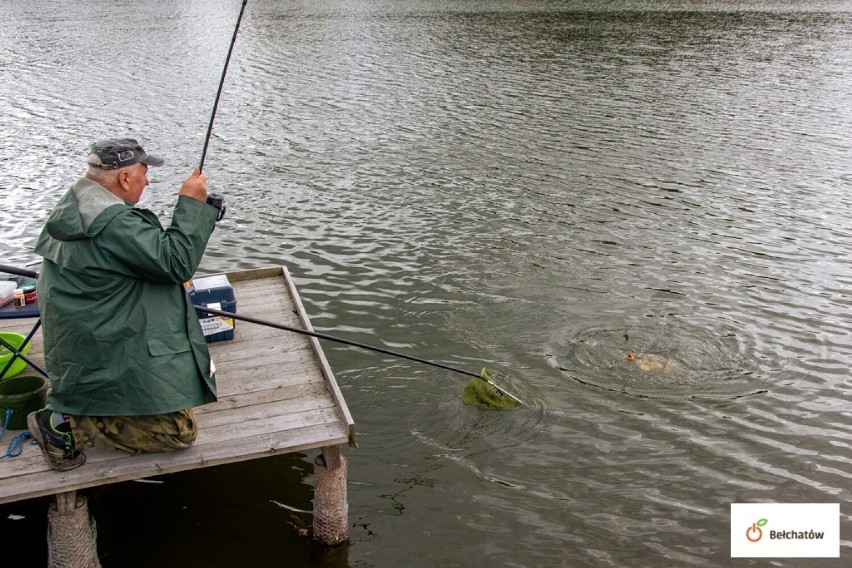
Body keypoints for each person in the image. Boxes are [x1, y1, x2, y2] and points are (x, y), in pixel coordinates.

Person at [27, 137, 221, 471]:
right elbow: (175, 264)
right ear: (124, 178)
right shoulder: (114, 222)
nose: (147, 182)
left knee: (177, 399)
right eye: (145, 174)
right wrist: (189, 205)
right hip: (106, 344)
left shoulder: (78, 203)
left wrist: (203, 214)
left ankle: (81, 410)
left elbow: (134, 253)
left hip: (84, 337)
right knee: (178, 432)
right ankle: (63, 424)